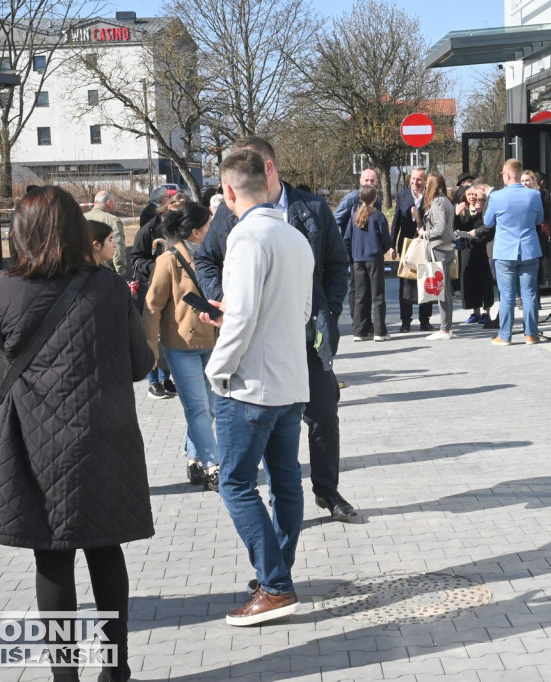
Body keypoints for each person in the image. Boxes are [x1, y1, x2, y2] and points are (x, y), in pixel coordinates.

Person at [0, 186, 154, 682]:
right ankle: (115, 669)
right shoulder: (106, 286)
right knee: (105, 548)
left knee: (52, 558)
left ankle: (65, 676)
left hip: (37, 441)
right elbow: (140, 365)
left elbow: (0, 341)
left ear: (22, 233)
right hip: (105, 436)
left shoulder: (1, 287)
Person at [193, 137, 357, 524]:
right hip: (256, 343)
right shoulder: (231, 215)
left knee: (322, 416)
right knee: (271, 426)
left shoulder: (312, 208)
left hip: (309, 337)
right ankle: (283, 504)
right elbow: (206, 260)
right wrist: (222, 299)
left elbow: (337, 265)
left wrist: (329, 311)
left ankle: (326, 490)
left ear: (270, 168)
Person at [203, 149, 315, 627]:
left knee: (236, 484)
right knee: (286, 481)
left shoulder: (247, 239)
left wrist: (216, 369)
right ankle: (277, 573)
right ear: (264, 182)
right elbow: (301, 311)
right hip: (290, 380)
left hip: (250, 385)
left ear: (228, 191)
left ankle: (274, 584)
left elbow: (245, 316)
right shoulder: (293, 236)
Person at [142, 201, 220, 490]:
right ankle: (213, 465)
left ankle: (193, 457)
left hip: (212, 342)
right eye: (209, 224)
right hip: (181, 345)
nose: (213, 228)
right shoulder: (169, 260)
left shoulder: (213, 255)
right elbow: (152, 306)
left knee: (209, 407)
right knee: (197, 407)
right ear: (197, 232)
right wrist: (150, 347)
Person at [132, 193, 187, 400]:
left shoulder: (182, 230)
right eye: (176, 213)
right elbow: (136, 260)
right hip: (151, 288)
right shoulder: (148, 230)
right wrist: (157, 267)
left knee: (167, 335)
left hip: (176, 291)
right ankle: (153, 382)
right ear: (167, 210)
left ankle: (166, 379)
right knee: (152, 335)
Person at [484, 158, 544, 346]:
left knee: (507, 295)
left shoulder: (496, 197)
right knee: (529, 294)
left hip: (505, 251)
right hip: (529, 249)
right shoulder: (534, 195)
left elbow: (487, 222)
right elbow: (539, 219)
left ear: (508, 174)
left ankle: (505, 335)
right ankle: (531, 334)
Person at [334, 169, 381, 338]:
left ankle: (366, 323)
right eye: (366, 180)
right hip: (353, 248)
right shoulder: (352, 198)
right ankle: (359, 323)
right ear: (360, 181)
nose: (369, 183)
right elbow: (336, 219)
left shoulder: (378, 200)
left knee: (369, 288)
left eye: (372, 180)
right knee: (357, 287)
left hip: (370, 249)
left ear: (377, 182)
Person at [345, 185, 394, 342]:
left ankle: (359, 331)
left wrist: (353, 254)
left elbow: (347, 239)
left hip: (358, 260)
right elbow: (386, 240)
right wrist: (383, 249)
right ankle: (380, 331)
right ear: (375, 198)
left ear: (360, 198)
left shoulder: (354, 216)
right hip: (374, 259)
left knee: (361, 296)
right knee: (377, 296)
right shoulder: (378, 216)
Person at [390, 166, 434, 332]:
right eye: (413, 179)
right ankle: (405, 321)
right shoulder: (402, 195)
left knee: (426, 281)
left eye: (419, 179)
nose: (416, 182)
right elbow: (396, 221)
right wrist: (392, 244)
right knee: (406, 283)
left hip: (425, 244)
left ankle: (425, 320)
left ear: (425, 181)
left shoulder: (431, 195)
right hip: (407, 245)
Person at [418, 172, 456, 340]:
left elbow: (440, 228)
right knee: (444, 290)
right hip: (445, 249)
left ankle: (444, 329)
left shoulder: (438, 202)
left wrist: (425, 234)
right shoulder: (446, 200)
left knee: (442, 291)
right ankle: (446, 327)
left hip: (439, 249)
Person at [455, 186, 494, 324]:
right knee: (470, 280)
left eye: (474, 194)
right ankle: (475, 311)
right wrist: (456, 214)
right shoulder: (462, 210)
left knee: (485, 280)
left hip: (483, 248)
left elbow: (488, 227)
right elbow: (456, 227)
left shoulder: (484, 209)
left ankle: (486, 312)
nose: (472, 197)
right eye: (469, 194)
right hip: (467, 248)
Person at [84, 191, 127, 276]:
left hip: (83, 271)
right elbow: (118, 248)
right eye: (115, 204)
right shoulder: (113, 220)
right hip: (107, 274)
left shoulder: (81, 218)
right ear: (109, 203)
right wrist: (120, 272)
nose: (115, 207)